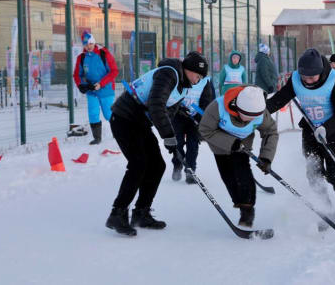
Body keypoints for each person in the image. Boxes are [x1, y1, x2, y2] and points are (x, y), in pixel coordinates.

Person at [106, 51, 209, 236]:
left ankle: (141, 213)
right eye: (198, 75)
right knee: (138, 164)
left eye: (201, 78)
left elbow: (169, 113)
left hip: (139, 123)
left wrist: (172, 139)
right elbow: (156, 105)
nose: (198, 80)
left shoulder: (184, 86)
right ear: (189, 69)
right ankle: (117, 213)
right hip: (124, 118)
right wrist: (169, 136)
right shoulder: (169, 73)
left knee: (157, 165)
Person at [266, 48, 335, 231]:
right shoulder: (297, 78)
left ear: (321, 71)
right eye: (305, 77)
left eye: (312, 77)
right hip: (310, 131)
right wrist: (259, 111)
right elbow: (280, 99)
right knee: (313, 174)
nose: (308, 80)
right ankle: (326, 211)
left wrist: (326, 128)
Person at [199, 85, 278, 227]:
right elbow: (205, 130)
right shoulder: (217, 107)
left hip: (243, 149)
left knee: (243, 176)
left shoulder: (260, 112)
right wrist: (231, 142)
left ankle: (247, 211)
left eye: (255, 117)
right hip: (220, 148)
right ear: (238, 108)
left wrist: (266, 157)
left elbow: (270, 132)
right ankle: (238, 202)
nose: (250, 120)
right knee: (229, 178)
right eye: (247, 116)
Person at [73, 31, 118, 145]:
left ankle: (118, 134)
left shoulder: (104, 54)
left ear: (94, 42)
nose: (88, 47)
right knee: (93, 113)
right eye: (86, 44)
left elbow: (114, 71)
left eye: (90, 44)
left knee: (109, 114)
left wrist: (101, 84)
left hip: (106, 89)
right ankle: (97, 138)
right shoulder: (81, 58)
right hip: (91, 90)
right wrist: (81, 85)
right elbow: (77, 75)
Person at [171, 76, 215, 184]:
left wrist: (200, 118)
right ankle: (178, 164)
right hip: (178, 117)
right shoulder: (180, 78)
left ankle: (190, 171)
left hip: (194, 118)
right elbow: (172, 97)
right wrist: (178, 109)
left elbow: (208, 101)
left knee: (193, 144)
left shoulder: (206, 82)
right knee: (178, 142)